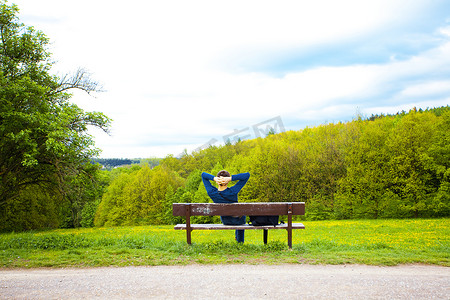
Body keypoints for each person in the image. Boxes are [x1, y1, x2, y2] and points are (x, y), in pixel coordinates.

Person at [201, 170, 250, 243]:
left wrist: (214, 178)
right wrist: (230, 178)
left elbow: (203, 175)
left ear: (217, 181)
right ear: (227, 181)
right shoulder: (233, 191)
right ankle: (240, 242)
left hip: (225, 221)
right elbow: (247, 175)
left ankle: (238, 240)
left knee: (238, 216)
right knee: (240, 216)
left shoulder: (211, 192)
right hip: (238, 221)